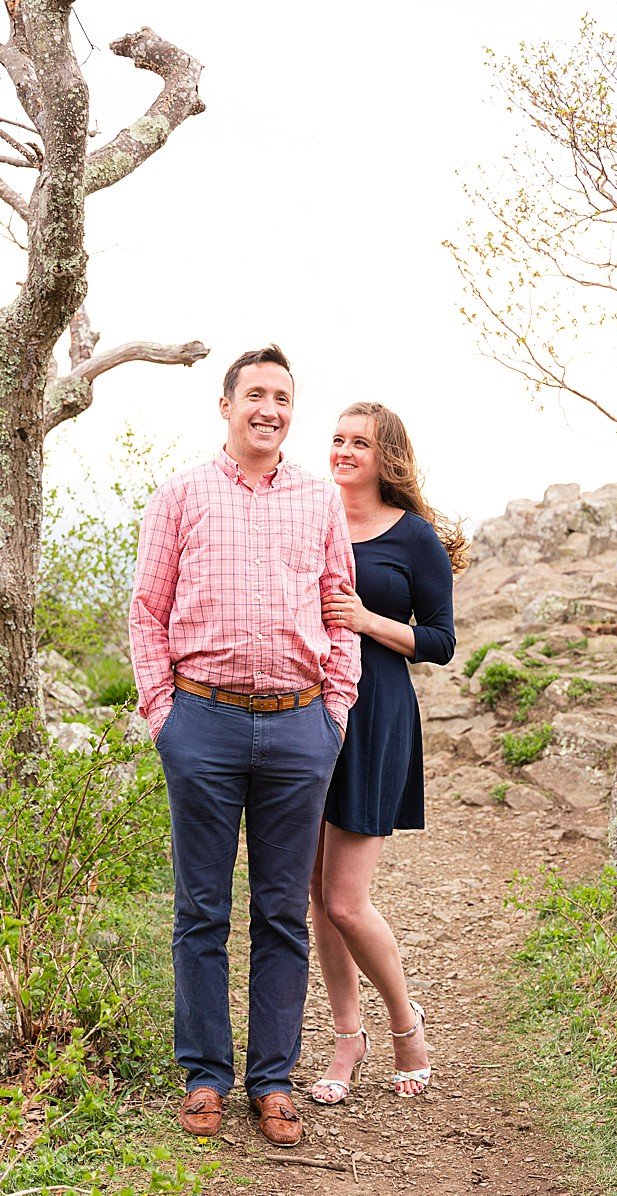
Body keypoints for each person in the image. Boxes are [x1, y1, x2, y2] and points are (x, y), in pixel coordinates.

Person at [130, 345, 360, 1148]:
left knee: (281, 913)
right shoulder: (181, 495)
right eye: (256, 394)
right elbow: (146, 610)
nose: (270, 408)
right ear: (226, 406)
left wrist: (333, 711)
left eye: (283, 397)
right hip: (203, 723)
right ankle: (204, 1075)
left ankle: (271, 1079)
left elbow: (341, 610)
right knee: (201, 910)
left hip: (300, 726)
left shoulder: (319, 500)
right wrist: (165, 715)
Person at [307, 402, 465, 1105]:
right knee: (314, 893)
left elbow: (439, 641)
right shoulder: (309, 516)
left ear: (386, 457)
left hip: (376, 715)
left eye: (359, 443)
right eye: (336, 439)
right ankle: (348, 1038)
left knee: (345, 898)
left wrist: (368, 619)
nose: (342, 451)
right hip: (305, 709)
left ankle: (405, 1024)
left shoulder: (415, 538)